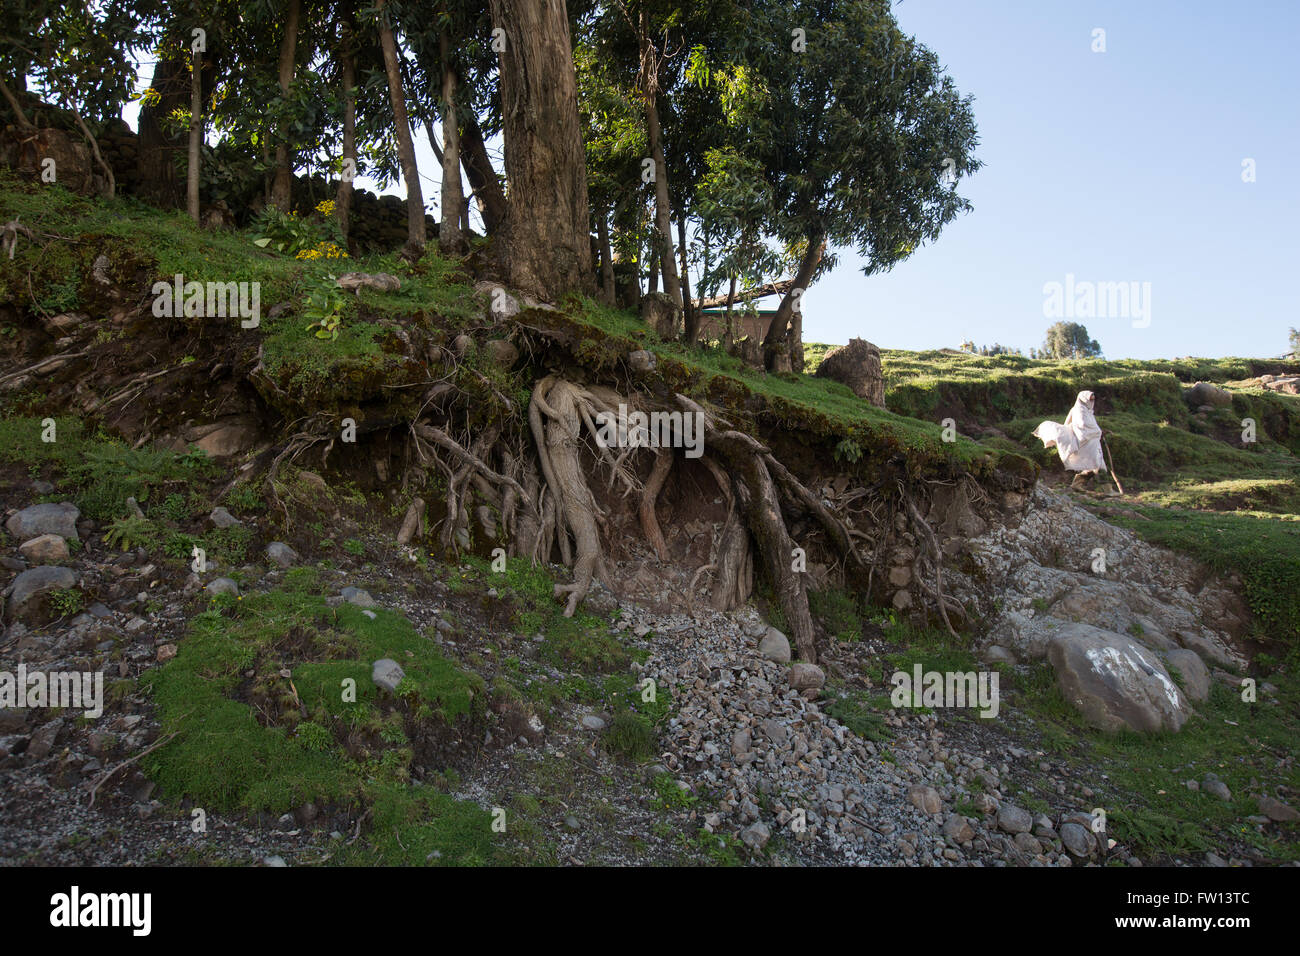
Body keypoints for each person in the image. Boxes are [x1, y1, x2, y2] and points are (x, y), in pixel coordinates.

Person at [1033, 390, 1106, 489]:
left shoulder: (1088, 411)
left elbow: (1090, 425)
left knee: (1096, 463)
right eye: (1090, 399)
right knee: (1095, 463)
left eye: (1092, 400)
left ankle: (1080, 484)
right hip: (1084, 441)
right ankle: (1095, 486)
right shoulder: (1078, 410)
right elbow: (1082, 424)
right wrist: (1096, 430)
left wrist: (1098, 431)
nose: (1091, 402)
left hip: (1092, 441)